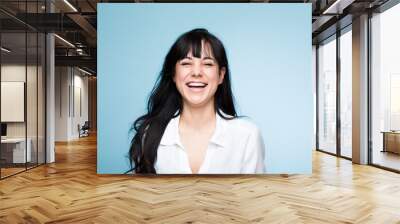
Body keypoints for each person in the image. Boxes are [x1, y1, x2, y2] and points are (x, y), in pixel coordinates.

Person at [128, 28, 265, 174]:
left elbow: (255, 195)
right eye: (186, 63)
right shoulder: (150, 134)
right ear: (173, 74)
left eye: (207, 64)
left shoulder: (247, 135)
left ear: (221, 75)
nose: (197, 72)